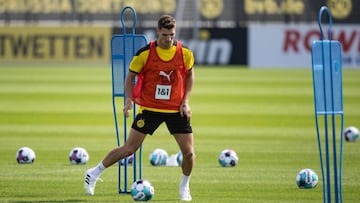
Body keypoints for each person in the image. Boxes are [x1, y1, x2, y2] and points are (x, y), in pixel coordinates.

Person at [84, 14, 195, 201]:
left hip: (176, 110)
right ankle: (93, 173)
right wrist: (128, 100)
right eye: (165, 35)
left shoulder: (185, 53)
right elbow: (130, 77)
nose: (169, 39)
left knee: (189, 153)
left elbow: (190, 76)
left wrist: (186, 102)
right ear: (158, 31)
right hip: (150, 109)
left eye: (172, 35)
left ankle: (184, 187)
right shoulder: (144, 54)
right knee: (129, 149)